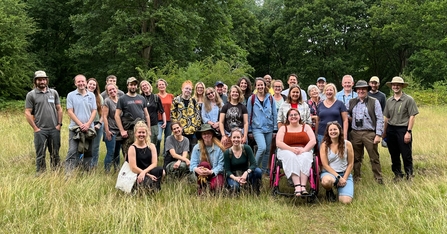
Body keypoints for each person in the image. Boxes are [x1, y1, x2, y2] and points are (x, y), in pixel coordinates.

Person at [25, 70, 63, 174]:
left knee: (55, 153)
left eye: (44, 79)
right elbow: (27, 112)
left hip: (54, 129)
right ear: (35, 81)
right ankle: (41, 175)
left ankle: (56, 173)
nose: (42, 81)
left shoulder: (53, 93)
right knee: (40, 154)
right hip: (40, 130)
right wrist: (35, 128)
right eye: (39, 80)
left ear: (47, 80)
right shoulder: (31, 95)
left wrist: (59, 125)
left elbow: (59, 109)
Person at [348, 80, 384, 184]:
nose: (361, 91)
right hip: (355, 133)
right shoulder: (352, 101)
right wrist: (350, 118)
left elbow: (380, 118)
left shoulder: (374, 101)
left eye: (363, 89)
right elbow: (345, 113)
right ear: (356, 91)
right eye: (359, 89)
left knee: (374, 157)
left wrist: (378, 134)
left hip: (369, 133)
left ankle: (378, 178)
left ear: (367, 90)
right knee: (356, 157)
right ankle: (356, 177)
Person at [383, 76, 418, 181]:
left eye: (398, 85)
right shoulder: (389, 101)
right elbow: (387, 117)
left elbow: (412, 116)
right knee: (394, 154)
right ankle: (398, 174)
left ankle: (409, 174)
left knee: (406, 154)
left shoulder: (408, 99)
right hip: (391, 129)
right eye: (394, 85)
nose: (396, 86)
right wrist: (384, 132)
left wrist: (408, 132)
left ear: (402, 86)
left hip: (403, 129)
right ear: (391, 86)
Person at [276, 109, 316, 196]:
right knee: (291, 156)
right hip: (286, 150)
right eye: (291, 115)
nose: (293, 116)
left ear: (299, 116)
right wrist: (291, 149)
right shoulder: (283, 128)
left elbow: (313, 141)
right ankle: (297, 186)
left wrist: (304, 150)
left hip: (303, 149)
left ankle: (303, 186)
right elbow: (279, 143)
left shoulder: (306, 127)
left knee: (305, 157)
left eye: (295, 114)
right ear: (287, 118)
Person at [65, 74, 97, 173]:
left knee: (88, 152)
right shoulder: (71, 95)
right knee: (72, 151)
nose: (81, 83)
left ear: (86, 82)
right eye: (78, 82)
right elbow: (70, 111)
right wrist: (80, 124)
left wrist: (87, 124)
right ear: (75, 83)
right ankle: (69, 175)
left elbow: (94, 111)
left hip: (89, 129)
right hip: (75, 128)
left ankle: (86, 173)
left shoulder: (91, 95)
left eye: (83, 81)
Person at [115, 77, 151, 159]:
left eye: (135, 85)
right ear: (127, 86)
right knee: (128, 152)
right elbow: (117, 115)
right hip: (129, 129)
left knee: (142, 151)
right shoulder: (122, 99)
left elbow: (147, 115)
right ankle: (128, 170)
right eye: (131, 85)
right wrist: (122, 131)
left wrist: (148, 129)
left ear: (137, 86)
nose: (133, 87)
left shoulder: (141, 98)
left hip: (141, 129)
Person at [247, 77, 277, 174]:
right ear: (255, 86)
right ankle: (253, 168)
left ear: (265, 86)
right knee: (262, 147)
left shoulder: (271, 98)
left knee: (268, 150)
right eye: (258, 85)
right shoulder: (251, 99)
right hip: (257, 128)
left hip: (269, 127)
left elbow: (274, 114)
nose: (260, 86)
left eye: (262, 84)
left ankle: (263, 171)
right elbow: (249, 114)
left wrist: (275, 129)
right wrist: (249, 130)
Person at [320, 122, 354, 204]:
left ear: (339, 130)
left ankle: (341, 189)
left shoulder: (348, 144)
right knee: (326, 181)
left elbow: (350, 164)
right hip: (330, 173)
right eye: (330, 130)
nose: (333, 131)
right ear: (328, 132)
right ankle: (329, 190)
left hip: (344, 174)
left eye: (335, 129)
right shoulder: (324, 145)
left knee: (345, 202)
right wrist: (339, 177)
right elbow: (325, 165)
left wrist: (344, 178)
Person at [128, 121, 165, 192]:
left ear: (146, 133)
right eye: (139, 132)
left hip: (148, 170)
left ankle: (155, 188)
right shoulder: (132, 148)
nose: (141, 134)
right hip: (137, 173)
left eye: (143, 132)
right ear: (135, 134)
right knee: (149, 183)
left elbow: (154, 163)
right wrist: (145, 174)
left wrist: (145, 173)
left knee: (160, 170)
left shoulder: (151, 146)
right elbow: (133, 168)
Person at [190, 124, 226, 194]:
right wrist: (196, 169)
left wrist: (211, 172)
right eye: (204, 134)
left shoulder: (219, 148)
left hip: (215, 173)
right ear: (201, 136)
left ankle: (207, 189)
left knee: (216, 187)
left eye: (208, 133)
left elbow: (221, 166)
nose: (206, 135)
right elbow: (192, 165)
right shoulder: (196, 148)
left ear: (212, 134)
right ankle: (202, 186)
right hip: (201, 174)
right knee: (204, 164)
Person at [224, 128, 262, 194]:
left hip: (245, 174)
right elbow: (227, 171)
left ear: (241, 138)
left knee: (258, 171)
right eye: (234, 137)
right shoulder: (227, 152)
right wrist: (236, 178)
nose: (236, 139)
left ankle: (254, 190)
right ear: (231, 138)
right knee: (235, 187)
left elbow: (254, 164)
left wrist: (246, 173)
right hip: (234, 176)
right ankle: (235, 188)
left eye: (238, 137)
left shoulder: (247, 148)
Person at [171, 80, 202, 152]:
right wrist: (177, 128)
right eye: (186, 88)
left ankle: (193, 162)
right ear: (182, 89)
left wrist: (196, 126)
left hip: (192, 130)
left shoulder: (194, 101)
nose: (188, 90)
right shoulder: (176, 100)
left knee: (194, 149)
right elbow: (173, 115)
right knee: (181, 149)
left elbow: (197, 115)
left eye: (190, 89)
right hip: (181, 130)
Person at [102, 83, 122, 172]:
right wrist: (107, 130)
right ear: (107, 92)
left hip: (119, 130)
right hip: (111, 130)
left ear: (116, 89)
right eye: (110, 90)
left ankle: (116, 169)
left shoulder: (121, 100)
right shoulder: (107, 101)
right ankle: (107, 170)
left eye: (113, 89)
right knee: (111, 152)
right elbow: (104, 117)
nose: (112, 91)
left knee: (117, 152)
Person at [140, 80, 166, 145]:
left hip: (154, 123)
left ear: (149, 86)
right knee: (144, 141)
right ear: (141, 88)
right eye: (143, 86)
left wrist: (164, 122)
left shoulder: (156, 97)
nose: (145, 87)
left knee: (155, 141)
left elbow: (162, 111)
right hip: (143, 124)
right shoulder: (140, 98)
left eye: (146, 85)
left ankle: (154, 154)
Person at [87, 78, 104, 168]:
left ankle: (93, 165)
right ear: (87, 84)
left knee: (95, 146)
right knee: (85, 145)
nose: (92, 86)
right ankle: (84, 164)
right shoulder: (83, 95)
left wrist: (99, 124)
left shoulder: (99, 97)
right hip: (86, 124)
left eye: (94, 85)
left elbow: (103, 113)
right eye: (90, 84)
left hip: (97, 124)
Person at [155, 78, 174, 155]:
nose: (161, 86)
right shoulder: (155, 96)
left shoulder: (171, 96)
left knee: (167, 138)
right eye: (160, 85)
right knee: (158, 138)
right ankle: (156, 153)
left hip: (169, 119)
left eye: (163, 84)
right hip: (158, 119)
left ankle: (165, 154)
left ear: (166, 86)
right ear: (157, 86)